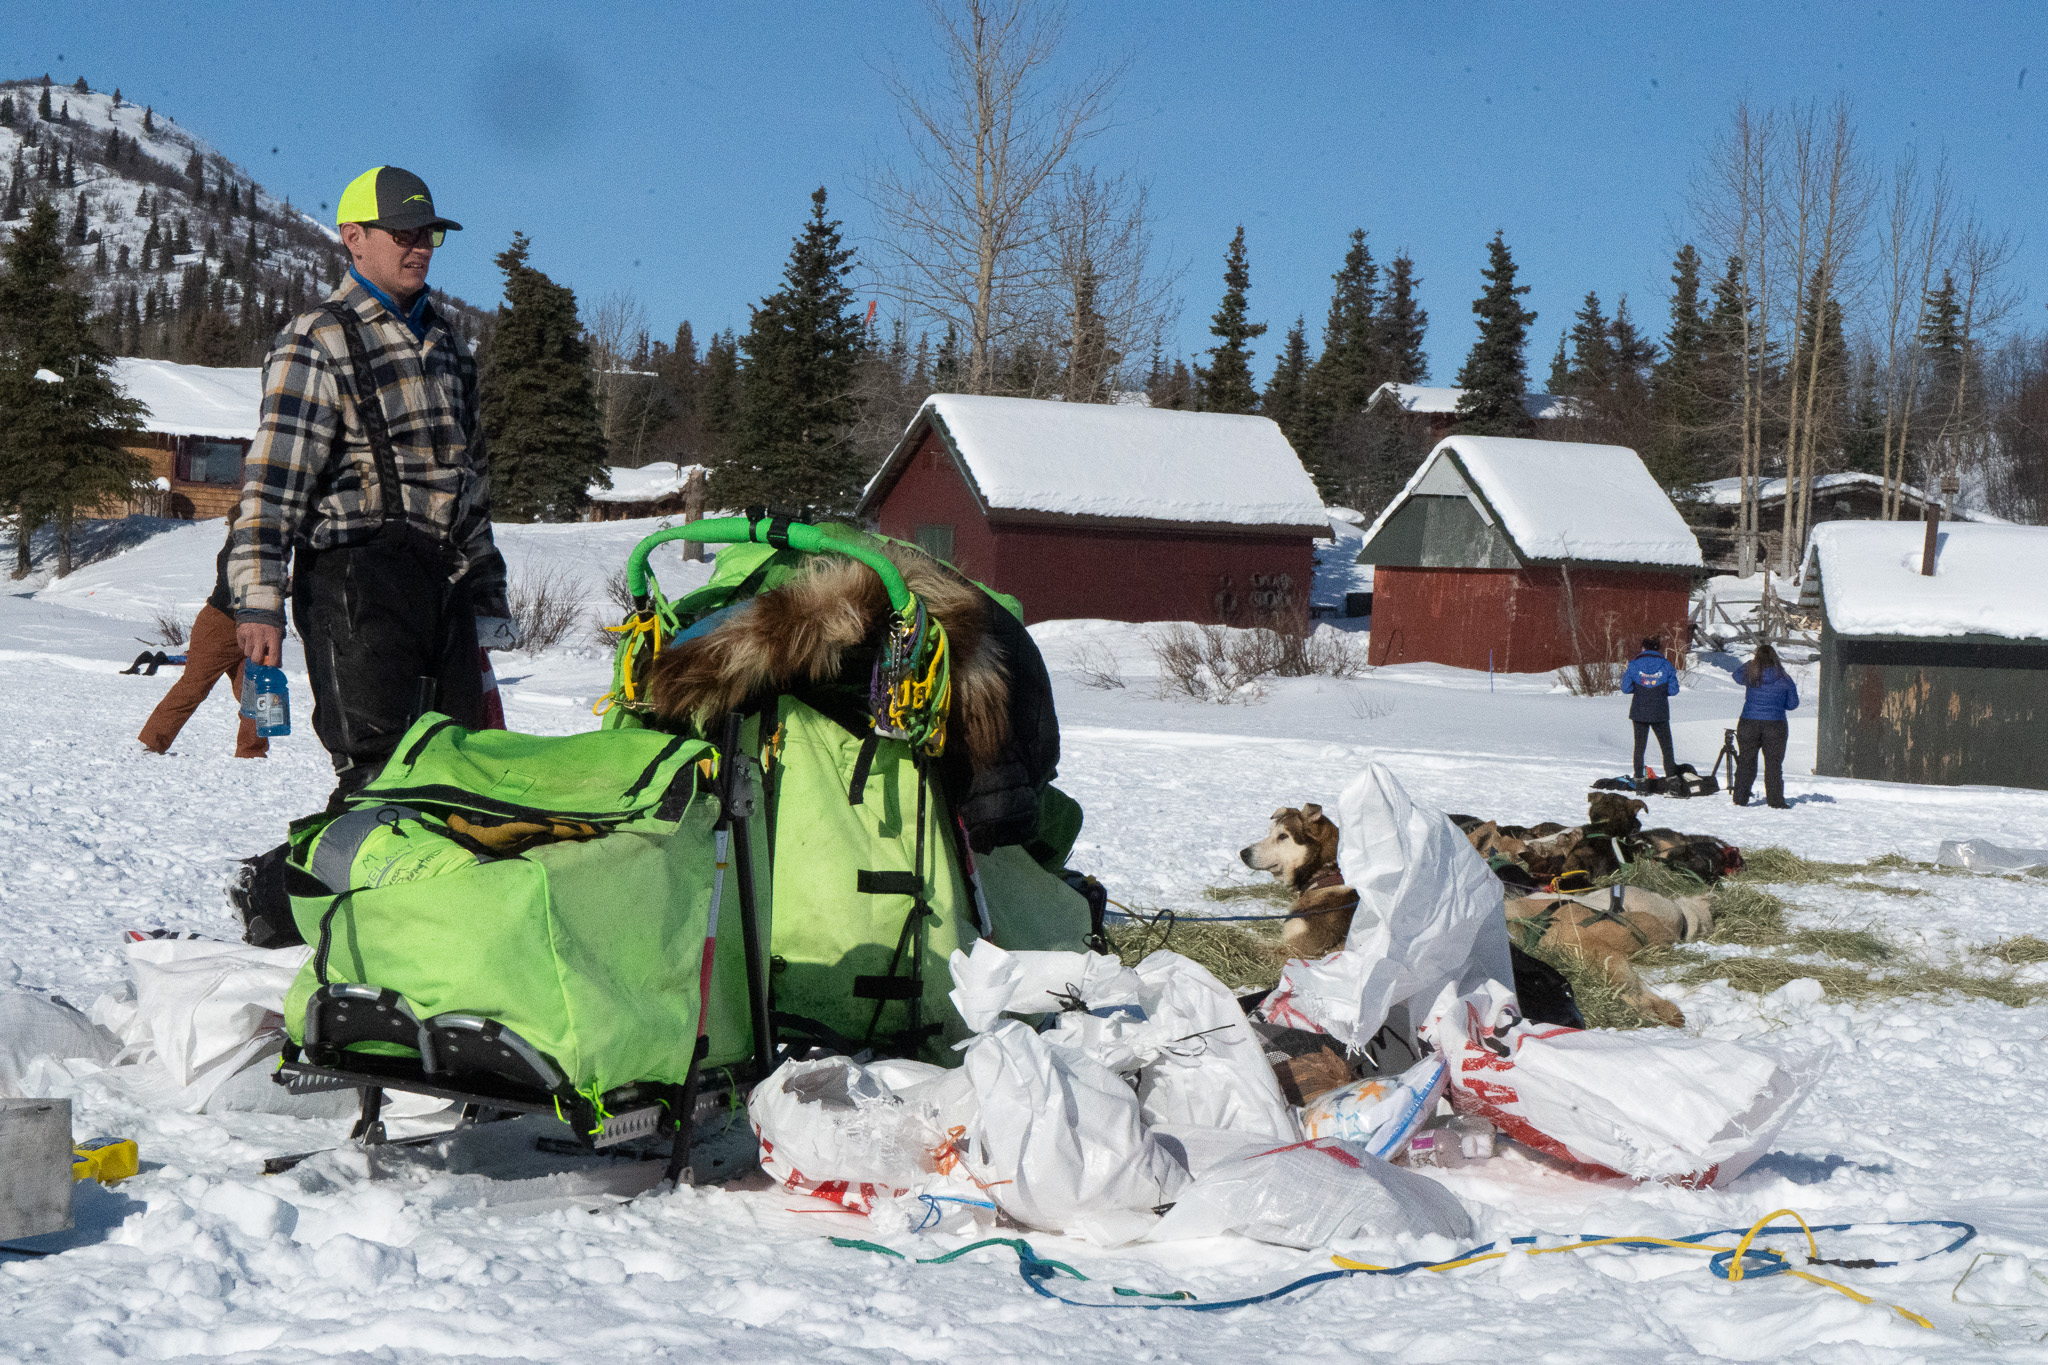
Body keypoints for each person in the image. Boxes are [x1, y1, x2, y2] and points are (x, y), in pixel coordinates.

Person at [227, 166, 515, 944]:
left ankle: (419, 930)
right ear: (353, 239)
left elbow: (472, 483)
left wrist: (487, 592)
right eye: (405, 234)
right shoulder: (316, 338)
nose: (421, 247)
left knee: (457, 777)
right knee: (377, 776)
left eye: (430, 235)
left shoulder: (450, 347)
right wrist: (258, 596)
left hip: (442, 585)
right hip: (353, 580)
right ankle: (279, 895)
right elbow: (274, 478)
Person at [137, 521, 268, 760]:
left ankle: (252, 754)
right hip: (220, 625)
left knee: (258, 690)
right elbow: (235, 589)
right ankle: (152, 743)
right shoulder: (241, 544)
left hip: (257, 624)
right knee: (194, 686)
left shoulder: (264, 542)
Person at [1729, 642, 1799, 809]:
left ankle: (1740, 798)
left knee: (1746, 761)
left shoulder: (1751, 674)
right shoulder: (1784, 678)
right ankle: (1775, 801)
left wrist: (1749, 663)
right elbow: (1792, 704)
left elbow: (1736, 676)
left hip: (1749, 722)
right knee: (1774, 764)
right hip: (1775, 724)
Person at [1619, 635, 1680, 784]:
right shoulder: (1666, 666)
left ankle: (1639, 776)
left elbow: (1625, 688)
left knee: (1639, 746)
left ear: (1643, 648)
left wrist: (1640, 689)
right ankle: (1671, 776)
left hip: (1639, 711)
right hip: (1660, 711)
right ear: (1658, 648)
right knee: (1666, 746)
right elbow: (1673, 690)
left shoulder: (1634, 665)